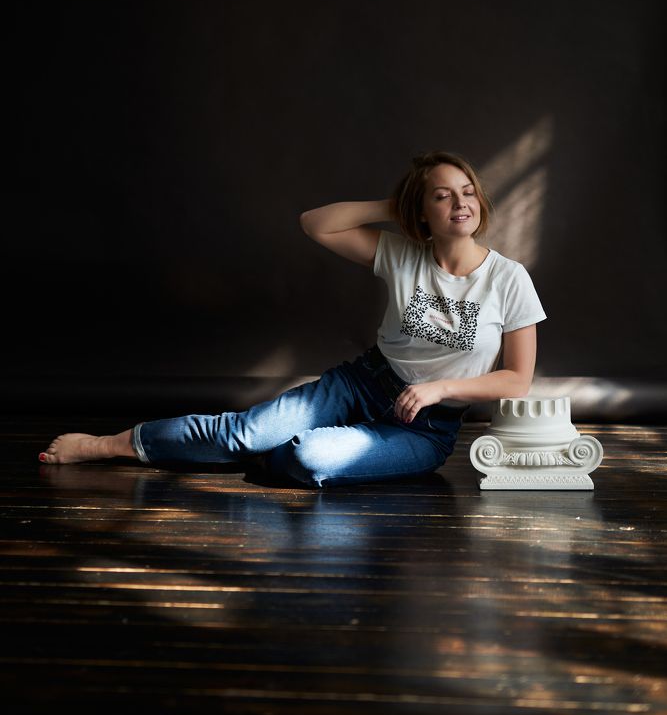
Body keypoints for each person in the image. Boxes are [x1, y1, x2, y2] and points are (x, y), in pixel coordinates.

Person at [39, 150, 546, 487]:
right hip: (362, 385)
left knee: (309, 459)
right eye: (441, 194)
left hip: (425, 428)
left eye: (467, 191)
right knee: (242, 433)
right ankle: (110, 444)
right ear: (421, 211)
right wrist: (398, 206)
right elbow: (316, 224)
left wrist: (439, 390)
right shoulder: (400, 254)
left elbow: (517, 380)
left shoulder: (508, 278)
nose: (460, 202)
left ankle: (266, 449)